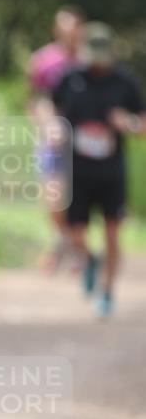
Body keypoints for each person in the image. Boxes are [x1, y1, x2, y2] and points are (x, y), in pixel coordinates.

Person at [52, 22, 146, 317]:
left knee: (113, 233)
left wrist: (128, 124)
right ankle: (90, 259)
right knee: (75, 233)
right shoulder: (69, 79)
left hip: (111, 171)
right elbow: (50, 109)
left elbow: (141, 124)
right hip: (77, 170)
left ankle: (107, 294)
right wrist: (53, 127)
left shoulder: (125, 83)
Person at [27, 5, 85, 271]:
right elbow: (35, 99)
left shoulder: (88, 62)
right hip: (53, 136)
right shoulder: (43, 61)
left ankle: (75, 245)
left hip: (84, 138)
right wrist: (46, 126)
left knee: (82, 194)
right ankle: (63, 239)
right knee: (53, 192)